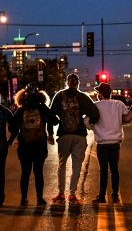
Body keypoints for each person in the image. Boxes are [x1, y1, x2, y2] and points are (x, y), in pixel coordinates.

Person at [50, 73, 100, 205]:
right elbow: (95, 113)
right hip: (79, 135)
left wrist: (51, 131)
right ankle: (72, 195)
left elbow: (51, 115)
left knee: (62, 164)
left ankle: (61, 194)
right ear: (78, 83)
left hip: (64, 135)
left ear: (67, 82)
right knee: (77, 166)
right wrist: (87, 122)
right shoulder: (83, 97)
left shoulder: (59, 96)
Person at [8, 84, 58, 206]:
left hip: (24, 146)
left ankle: (24, 198)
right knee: (38, 172)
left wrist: (9, 142)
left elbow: (12, 128)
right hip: (39, 146)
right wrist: (50, 133)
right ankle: (39, 198)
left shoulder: (21, 110)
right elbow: (55, 120)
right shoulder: (42, 108)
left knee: (25, 173)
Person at [91, 82, 132, 204]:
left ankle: (102, 196)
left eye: (98, 92)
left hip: (102, 143)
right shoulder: (118, 104)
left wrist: (94, 128)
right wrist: (117, 124)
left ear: (101, 94)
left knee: (103, 170)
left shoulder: (96, 105)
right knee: (114, 169)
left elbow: (87, 121)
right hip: (115, 142)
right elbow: (127, 119)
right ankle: (115, 195)